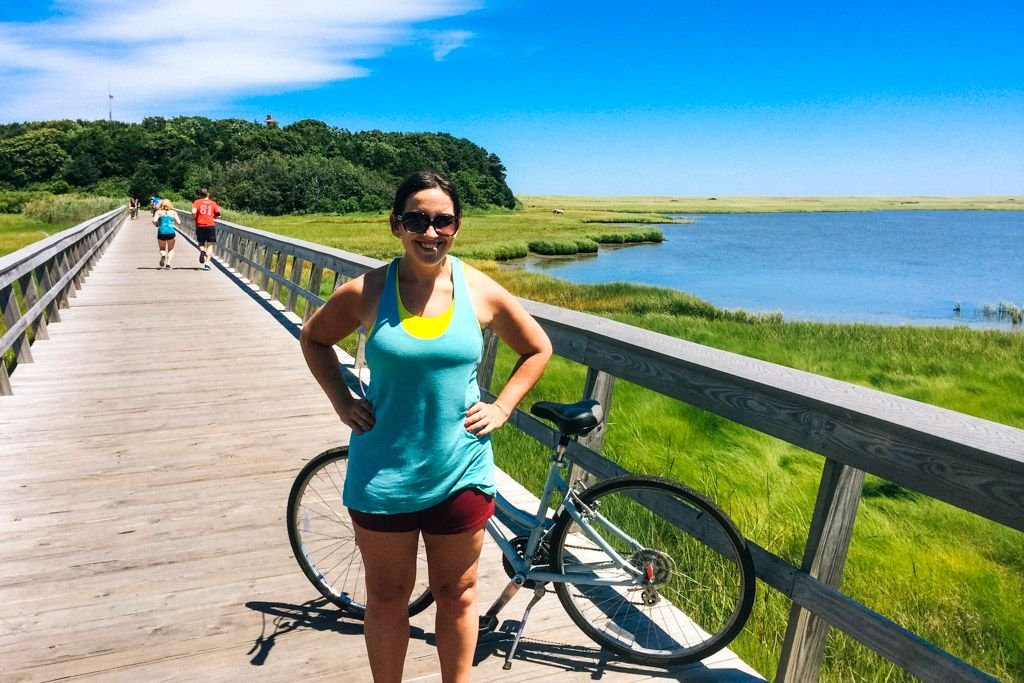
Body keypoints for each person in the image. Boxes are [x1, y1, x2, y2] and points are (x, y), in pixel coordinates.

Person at [300, 171, 552, 682]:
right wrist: (342, 401)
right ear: (396, 225)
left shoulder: (479, 290)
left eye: (443, 221)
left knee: (457, 595)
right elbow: (313, 338)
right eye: (416, 219)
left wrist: (502, 406)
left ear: (457, 226)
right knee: (388, 598)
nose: (430, 232)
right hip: (383, 474)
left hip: (460, 470)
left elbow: (537, 347)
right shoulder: (368, 291)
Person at [191, 187, 221, 270]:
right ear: (208, 194)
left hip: (200, 225)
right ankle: (207, 264)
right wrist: (213, 216)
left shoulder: (196, 202)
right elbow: (218, 216)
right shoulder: (213, 203)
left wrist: (194, 217)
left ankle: (202, 251)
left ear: (200, 194)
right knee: (210, 245)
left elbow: (193, 212)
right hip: (210, 225)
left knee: (201, 243)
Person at [152, 199, 180, 269]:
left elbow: (154, 220)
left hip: (161, 231)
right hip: (171, 232)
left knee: (162, 248)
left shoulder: (158, 212)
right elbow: (179, 222)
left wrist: (156, 225)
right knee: (171, 249)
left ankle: (163, 255)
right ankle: (168, 264)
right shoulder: (173, 212)